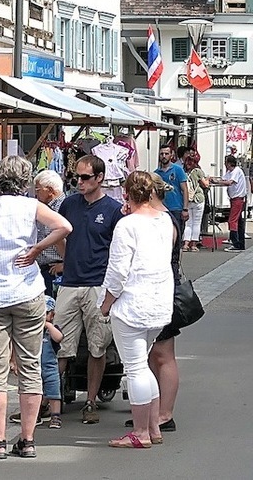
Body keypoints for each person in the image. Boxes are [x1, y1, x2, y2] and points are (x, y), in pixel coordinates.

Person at [0, 156, 71, 460]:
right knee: (30, 365)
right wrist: (37, 249)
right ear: (25, 181)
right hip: (28, 291)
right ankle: (28, 439)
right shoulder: (31, 206)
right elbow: (64, 226)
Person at [99, 171, 173, 448]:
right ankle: (152, 427)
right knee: (144, 365)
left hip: (132, 304)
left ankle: (141, 431)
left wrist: (106, 303)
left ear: (126, 194)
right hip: (159, 302)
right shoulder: (164, 220)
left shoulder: (127, 225)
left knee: (136, 368)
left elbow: (117, 272)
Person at [53, 154, 124, 425]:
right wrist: (68, 259)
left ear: (100, 178)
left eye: (85, 177)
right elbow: (58, 233)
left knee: (98, 346)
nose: (79, 182)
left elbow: (118, 249)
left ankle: (91, 400)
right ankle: (51, 400)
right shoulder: (69, 204)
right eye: (76, 177)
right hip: (70, 283)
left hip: (98, 285)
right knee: (59, 345)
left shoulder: (113, 210)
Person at [124, 173, 182, 434]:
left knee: (163, 354)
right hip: (155, 291)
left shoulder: (164, 219)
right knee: (150, 355)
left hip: (161, 291)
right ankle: (153, 413)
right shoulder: (156, 217)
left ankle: (164, 413)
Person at [9, 296, 64, 429]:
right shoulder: (29, 330)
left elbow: (59, 338)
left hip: (50, 369)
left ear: (51, 315)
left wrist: (48, 325)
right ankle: (34, 414)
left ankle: (55, 416)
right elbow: (17, 345)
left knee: (54, 393)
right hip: (32, 367)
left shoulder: (51, 330)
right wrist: (14, 362)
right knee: (32, 391)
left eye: (45, 313)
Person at [33, 170, 67, 297]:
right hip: (42, 269)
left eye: (38, 190)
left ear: (50, 190)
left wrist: (67, 265)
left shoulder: (65, 207)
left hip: (57, 269)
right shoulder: (43, 208)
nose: (36, 194)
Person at [209, 155, 249, 252]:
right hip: (234, 199)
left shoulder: (236, 171)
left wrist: (217, 182)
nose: (224, 164)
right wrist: (214, 179)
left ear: (229, 163)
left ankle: (235, 243)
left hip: (238, 199)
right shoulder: (230, 172)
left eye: (225, 162)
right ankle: (240, 243)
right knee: (238, 221)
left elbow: (229, 182)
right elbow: (223, 179)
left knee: (232, 221)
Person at [154, 144, 189, 228]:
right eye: (162, 154)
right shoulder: (156, 173)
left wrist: (185, 209)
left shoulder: (178, 170)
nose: (164, 156)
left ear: (171, 155)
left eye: (166, 154)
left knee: (177, 233)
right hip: (162, 209)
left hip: (176, 209)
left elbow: (185, 190)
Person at [182, 152, 209, 252]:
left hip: (188, 199)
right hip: (198, 199)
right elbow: (205, 184)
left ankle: (185, 244)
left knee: (188, 223)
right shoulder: (197, 171)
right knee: (197, 223)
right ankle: (193, 244)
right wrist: (208, 179)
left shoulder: (184, 172)